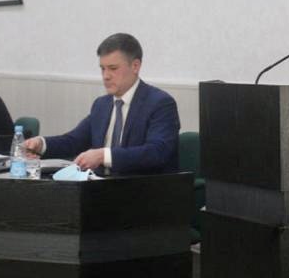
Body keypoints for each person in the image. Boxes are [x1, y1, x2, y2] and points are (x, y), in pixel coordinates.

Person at [24, 33, 180, 175]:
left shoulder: (160, 103)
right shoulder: (101, 105)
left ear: (135, 66)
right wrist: (41, 144)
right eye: (102, 69)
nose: (106, 76)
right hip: (98, 188)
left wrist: (103, 156)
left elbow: (157, 152)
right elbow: (74, 141)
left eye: (113, 68)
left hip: (142, 189)